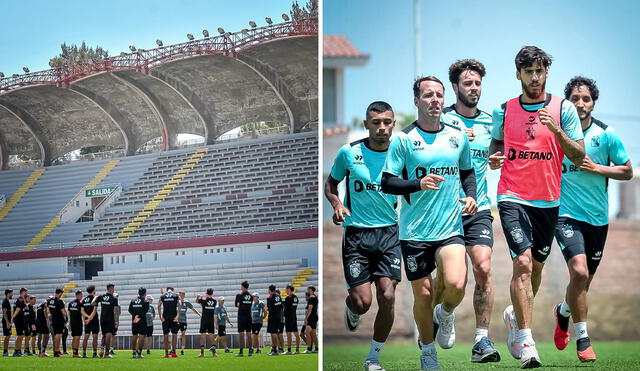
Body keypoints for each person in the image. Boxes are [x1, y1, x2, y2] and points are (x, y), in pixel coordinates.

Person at [488, 46, 585, 368]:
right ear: (518, 74)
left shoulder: (564, 109)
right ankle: (527, 342)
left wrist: (555, 129)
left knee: (537, 271)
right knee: (524, 265)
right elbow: (497, 144)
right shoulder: (504, 110)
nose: (534, 77)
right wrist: (495, 157)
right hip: (512, 196)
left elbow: (578, 156)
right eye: (528, 72)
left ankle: (514, 317)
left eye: (539, 71)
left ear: (547, 73)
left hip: (548, 201)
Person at [380, 76, 477, 370]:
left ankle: (445, 312)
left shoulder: (457, 137)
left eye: (439, 95)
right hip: (415, 232)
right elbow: (387, 182)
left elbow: (467, 173)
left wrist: (471, 196)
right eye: (428, 95)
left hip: (450, 228)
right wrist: (417, 184)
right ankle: (427, 351)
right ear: (416, 101)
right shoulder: (404, 139)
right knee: (422, 293)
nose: (434, 100)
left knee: (457, 284)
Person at [552, 76, 633, 363]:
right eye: (575, 98)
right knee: (580, 272)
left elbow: (627, 171)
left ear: (593, 102)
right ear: (567, 103)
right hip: (565, 216)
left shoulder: (606, 134)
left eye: (586, 99)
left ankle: (563, 311)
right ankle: (583, 339)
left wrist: (598, 168)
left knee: (582, 283)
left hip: (598, 220)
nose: (581, 103)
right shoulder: (557, 135)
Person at [325, 100, 402, 371]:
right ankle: (352, 307)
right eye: (376, 123)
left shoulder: (400, 153)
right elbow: (331, 182)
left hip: (389, 234)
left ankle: (373, 357)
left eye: (387, 122)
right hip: (357, 235)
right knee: (362, 303)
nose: (382, 128)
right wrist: (337, 204)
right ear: (366, 124)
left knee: (388, 296)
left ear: (392, 124)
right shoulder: (349, 152)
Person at [438, 59, 501, 363]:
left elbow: (496, 155)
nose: (474, 88)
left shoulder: (491, 122)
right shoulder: (441, 120)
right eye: (467, 83)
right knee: (454, 282)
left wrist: (496, 160)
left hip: (479, 207)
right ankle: (446, 312)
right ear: (455, 87)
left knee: (484, 268)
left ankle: (481, 341)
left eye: (477, 83)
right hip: (444, 211)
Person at [92, 283, 118, 358]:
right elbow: (115, 311)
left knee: (104, 335)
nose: (113, 290)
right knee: (108, 336)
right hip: (110, 318)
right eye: (113, 289)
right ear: (110, 289)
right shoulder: (114, 298)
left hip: (102, 318)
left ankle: (101, 350)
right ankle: (106, 353)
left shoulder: (101, 296)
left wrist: (95, 298)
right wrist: (116, 321)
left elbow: (93, 303)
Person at [196, 289, 219, 358]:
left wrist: (198, 297)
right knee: (212, 336)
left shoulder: (204, 301)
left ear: (206, 293)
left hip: (204, 320)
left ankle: (202, 353)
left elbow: (197, 302)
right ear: (212, 294)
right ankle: (214, 353)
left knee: (202, 336)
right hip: (211, 320)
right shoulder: (215, 301)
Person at [177, 290, 200, 356]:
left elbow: (193, 308)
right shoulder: (176, 302)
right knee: (174, 334)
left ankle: (182, 349)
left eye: (183, 294)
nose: (182, 295)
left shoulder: (187, 302)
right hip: (176, 321)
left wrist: (199, 314)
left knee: (183, 334)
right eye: (181, 294)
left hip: (183, 321)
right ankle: (172, 349)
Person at [158, 286, 180, 358]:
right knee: (174, 334)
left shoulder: (163, 296)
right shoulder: (176, 295)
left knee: (165, 334)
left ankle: (166, 353)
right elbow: (180, 305)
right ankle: (173, 351)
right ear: (172, 290)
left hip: (165, 317)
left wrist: (160, 316)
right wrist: (178, 316)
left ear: (167, 290)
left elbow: (159, 305)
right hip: (174, 317)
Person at [129, 287, 150, 358]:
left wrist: (135, 316)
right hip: (142, 321)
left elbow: (130, 310)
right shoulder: (146, 302)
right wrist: (139, 317)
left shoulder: (133, 300)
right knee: (141, 336)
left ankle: (134, 352)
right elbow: (145, 311)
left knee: (134, 335)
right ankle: (139, 353)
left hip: (134, 320)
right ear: (145, 293)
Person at [46, 288, 67, 357]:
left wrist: (49, 316)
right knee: (58, 335)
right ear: (60, 293)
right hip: (59, 320)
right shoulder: (59, 301)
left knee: (56, 336)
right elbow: (63, 311)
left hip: (53, 319)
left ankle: (57, 351)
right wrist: (67, 317)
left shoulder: (50, 300)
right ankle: (56, 352)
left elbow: (47, 309)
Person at [235, 281, 253, 356]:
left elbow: (237, 305)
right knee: (249, 333)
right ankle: (250, 350)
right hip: (249, 316)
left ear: (242, 287)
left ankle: (241, 351)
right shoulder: (251, 296)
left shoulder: (239, 295)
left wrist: (241, 305)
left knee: (241, 334)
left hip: (241, 316)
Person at [81, 285, 99, 358]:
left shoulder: (84, 299)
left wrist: (87, 319)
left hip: (86, 320)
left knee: (86, 337)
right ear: (93, 290)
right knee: (95, 337)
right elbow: (94, 311)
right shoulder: (95, 299)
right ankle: (94, 354)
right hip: (94, 320)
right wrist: (90, 318)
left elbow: (82, 311)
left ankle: (84, 353)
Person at [266, 285, 284, 356]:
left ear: (270, 290)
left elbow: (269, 309)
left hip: (272, 317)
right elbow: (281, 306)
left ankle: (274, 349)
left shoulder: (270, 297)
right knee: (277, 333)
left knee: (273, 333)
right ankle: (277, 349)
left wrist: (266, 309)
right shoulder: (278, 296)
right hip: (279, 317)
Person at [283, 285, 300, 354]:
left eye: (286, 289)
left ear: (289, 289)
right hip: (294, 317)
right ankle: (297, 349)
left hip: (288, 318)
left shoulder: (288, 298)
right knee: (296, 333)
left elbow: (286, 309)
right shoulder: (296, 297)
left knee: (289, 334)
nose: (285, 291)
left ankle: (289, 350)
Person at [11, 287, 28, 356]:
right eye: (26, 292)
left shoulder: (19, 299)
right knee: (20, 336)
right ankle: (16, 351)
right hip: (19, 320)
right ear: (23, 292)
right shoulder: (20, 300)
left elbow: (14, 308)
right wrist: (13, 318)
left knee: (21, 336)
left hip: (20, 319)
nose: (27, 293)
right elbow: (17, 309)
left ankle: (18, 350)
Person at [67, 290, 83, 358]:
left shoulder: (70, 303)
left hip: (72, 323)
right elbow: (82, 313)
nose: (82, 296)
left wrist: (69, 323)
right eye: (81, 295)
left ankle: (74, 353)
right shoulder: (80, 303)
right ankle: (76, 353)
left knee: (74, 338)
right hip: (78, 322)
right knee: (77, 338)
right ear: (78, 295)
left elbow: (69, 314)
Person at [303, 286, 318, 354]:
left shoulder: (311, 298)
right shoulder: (315, 297)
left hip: (311, 317)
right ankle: (317, 348)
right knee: (313, 334)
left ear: (310, 289)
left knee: (307, 332)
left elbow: (310, 308)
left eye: (308, 289)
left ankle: (309, 348)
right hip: (315, 316)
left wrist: (306, 318)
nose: (307, 291)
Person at [2, 289, 12, 357]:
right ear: (8, 293)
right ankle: (5, 352)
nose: (12, 295)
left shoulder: (7, 301)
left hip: (8, 321)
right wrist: (7, 322)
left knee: (8, 336)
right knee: (7, 336)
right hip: (6, 321)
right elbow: (4, 312)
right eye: (11, 293)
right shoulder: (5, 301)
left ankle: (6, 351)